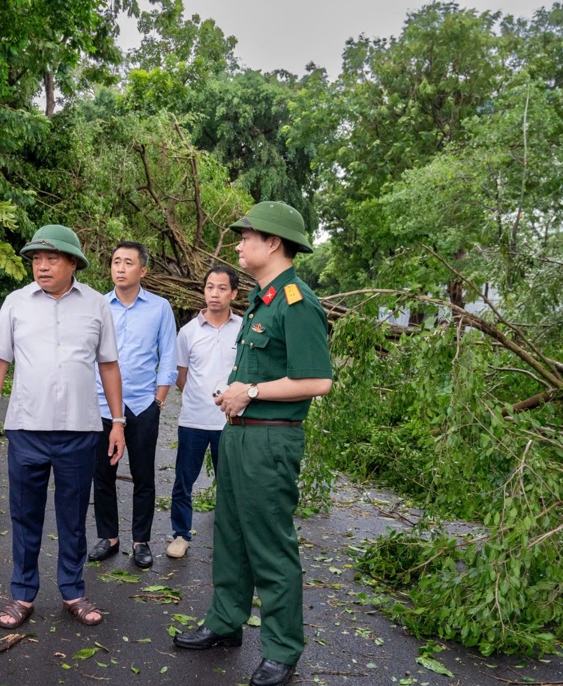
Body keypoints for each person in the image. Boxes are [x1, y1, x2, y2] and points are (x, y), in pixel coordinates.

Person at [172, 202, 333, 686]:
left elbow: (318, 381)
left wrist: (253, 391)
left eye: (247, 237)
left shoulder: (297, 302)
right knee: (231, 535)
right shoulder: (262, 301)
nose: (239, 245)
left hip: (271, 441)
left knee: (269, 545)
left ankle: (282, 650)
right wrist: (236, 392)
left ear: (274, 243)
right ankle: (225, 622)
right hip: (240, 436)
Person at [0, 224, 125, 630]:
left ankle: (73, 591)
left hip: (81, 430)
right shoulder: (15, 303)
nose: (41, 266)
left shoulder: (97, 305)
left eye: (51, 258)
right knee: (25, 516)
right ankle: (22, 595)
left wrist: (118, 422)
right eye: (36, 259)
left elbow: (108, 365)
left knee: (73, 517)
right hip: (27, 429)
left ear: (73, 262)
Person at [88, 242, 177, 569]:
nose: (120, 268)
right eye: (116, 262)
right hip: (99, 405)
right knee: (102, 474)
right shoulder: (98, 306)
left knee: (143, 475)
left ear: (143, 270)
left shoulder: (159, 307)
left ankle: (141, 541)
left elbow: (168, 354)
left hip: (142, 405)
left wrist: (159, 400)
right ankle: (108, 537)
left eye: (128, 262)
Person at [166, 265, 241, 559]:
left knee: (230, 482)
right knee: (184, 480)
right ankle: (180, 535)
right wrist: (199, 398)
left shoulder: (243, 328)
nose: (214, 293)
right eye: (210, 287)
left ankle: (229, 537)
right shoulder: (188, 332)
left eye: (222, 288)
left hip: (231, 422)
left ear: (233, 293)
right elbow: (180, 375)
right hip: (193, 420)